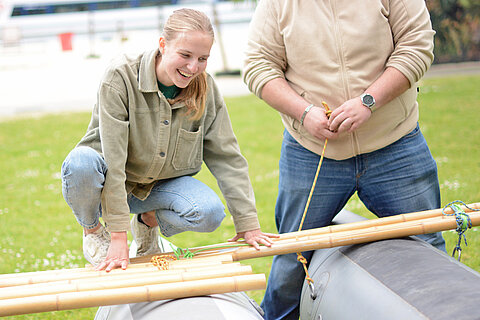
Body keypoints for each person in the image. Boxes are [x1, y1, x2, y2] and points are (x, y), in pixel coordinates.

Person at [243, 1, 446, 319]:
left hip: (395, 143)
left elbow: (416, 45)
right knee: (291, 261)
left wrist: (369, 101)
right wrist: (304, 112)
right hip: (311, 151)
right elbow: (257, 65)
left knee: (428, 246)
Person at [61, 8, 276, 272]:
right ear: (163, 44)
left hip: (155, 189)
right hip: (105, 183)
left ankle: (146, 223)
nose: (193, 67)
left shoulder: (206, 88)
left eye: (202, 58)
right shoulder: (120, 77)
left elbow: (227, 157)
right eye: (185, 55)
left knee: (209, 212)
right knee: (80, 162)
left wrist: (248, 224)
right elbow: (114, 162)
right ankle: (93, 231)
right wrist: (117, 236)